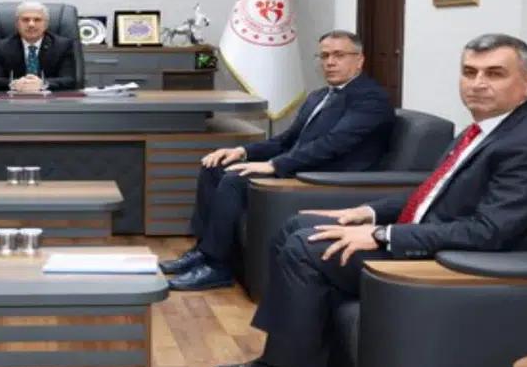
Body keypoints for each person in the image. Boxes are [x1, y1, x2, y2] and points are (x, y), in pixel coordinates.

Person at [213, 33, 527, 367]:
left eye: (494, 73)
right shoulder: (487, 130)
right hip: (441, 240)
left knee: (307, 248)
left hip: (469, 266)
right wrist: (368, 212)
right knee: (297, 226)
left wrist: (383, 235)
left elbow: (488, 233)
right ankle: (278, 361)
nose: (478, 83)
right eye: (469, 72)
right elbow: (435, 192)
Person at [163, 30, 395, 291]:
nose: (330, 62)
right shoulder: (319, 96)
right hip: (302, 166)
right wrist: (242, 151)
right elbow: (286, 140)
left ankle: (218, 267)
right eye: (324, 56)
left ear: (359, 60)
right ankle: (203, 252)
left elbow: (331, 144)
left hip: (327, 178)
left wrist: (274, 165)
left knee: (235, 180)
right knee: (216, 166)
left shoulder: (371, 99)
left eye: (339, 55)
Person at [0, 1, 79, 93]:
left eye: (37, 20)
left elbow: (70, 80)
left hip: (52, 101)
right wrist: (14, 84)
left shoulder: (62, 46)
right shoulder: (2, 47)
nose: (31, 24)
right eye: (25, 20)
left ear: (46, 25)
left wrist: (43, 84)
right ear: (17, 24)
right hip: (13, 101)